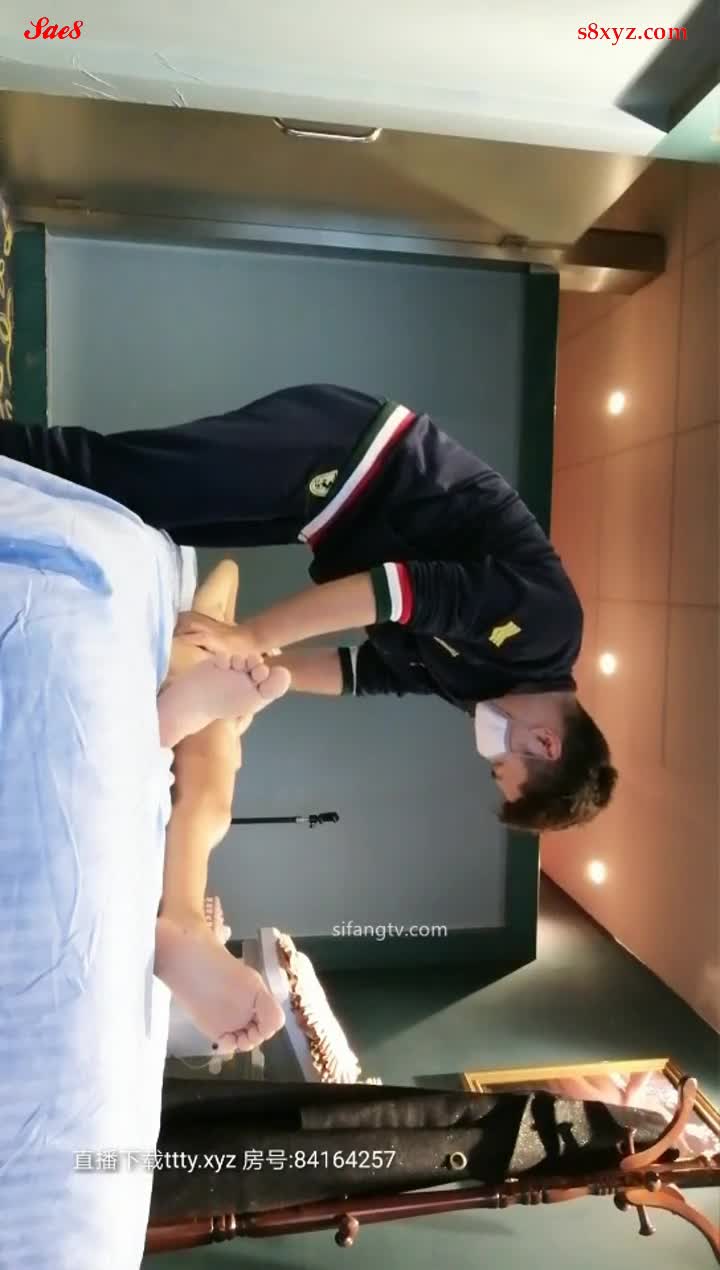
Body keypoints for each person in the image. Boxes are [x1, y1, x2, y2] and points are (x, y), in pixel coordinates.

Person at [1, 384, 617, 830]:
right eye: (502, 762)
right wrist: (249, 636)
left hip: (323, 515)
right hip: (352, 454)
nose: (489, 752)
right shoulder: (546, 629)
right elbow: (397, 590)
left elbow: (362, 673)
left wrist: (259, 673)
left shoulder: (485, 688)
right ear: (546, 743)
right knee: (106, 477)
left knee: (130, 511)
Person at [153, 559, 288, 1057]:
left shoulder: (218, 650)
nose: (261, 660)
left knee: (214, 800)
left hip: (198, 680)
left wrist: (233, 639)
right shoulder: (221, 652)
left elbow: (227, 575)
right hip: (199, 682)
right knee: (215, 797)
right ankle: (184, 919)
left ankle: (186, 922)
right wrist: (237, 639)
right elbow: (229, 574)